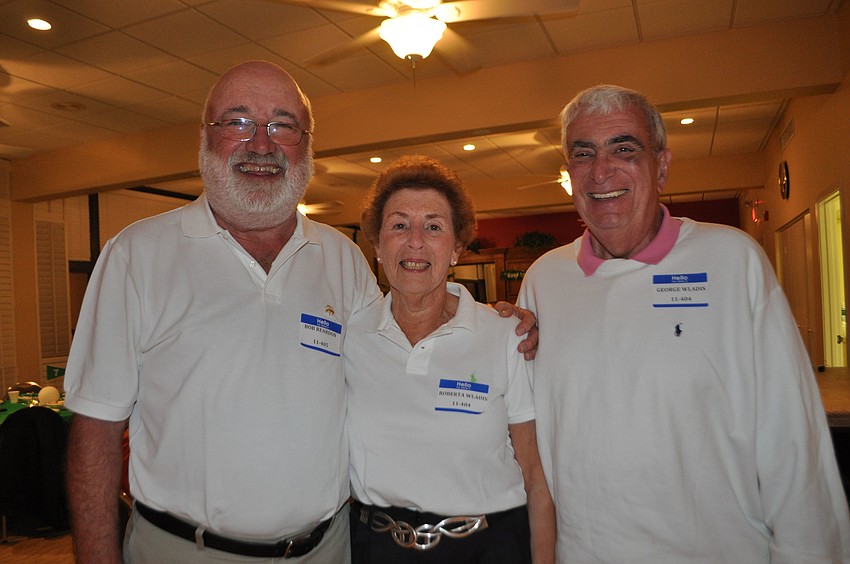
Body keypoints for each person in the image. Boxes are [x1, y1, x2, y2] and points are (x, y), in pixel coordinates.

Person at [63, 61, 537, 563]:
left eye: (283, 125)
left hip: (327, 550)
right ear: (206, 136)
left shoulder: (341, 259)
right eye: (238, 121)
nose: (262, 144)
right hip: (185, 550)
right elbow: (94, 433)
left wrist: (496, 319)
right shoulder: (137, 255)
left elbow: (406, 338)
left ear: (307, 145)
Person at [518, 84, 850, 563]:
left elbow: (793, 443)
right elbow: (527, 431)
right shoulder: (544, 279)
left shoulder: (731, 260)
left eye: (624, 149)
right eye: (582, 153)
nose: (600, 170)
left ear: (663, 166)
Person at [345, 155, 556, 563]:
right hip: (375, 548)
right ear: (376, 243)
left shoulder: (503, 335)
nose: (415, 241)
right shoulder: (352, 337)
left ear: (458, 247)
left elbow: (534, 476)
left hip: (488, 548)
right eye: (399, 224)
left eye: (434, 227)